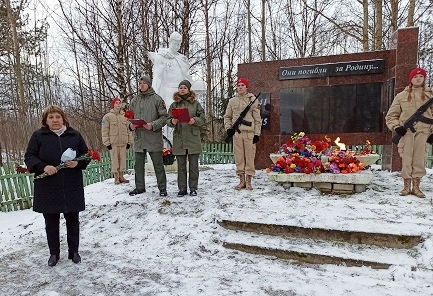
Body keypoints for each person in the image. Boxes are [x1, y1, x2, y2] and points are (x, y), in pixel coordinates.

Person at [24, 105, 90, 266]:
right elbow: (29, 156)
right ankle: (54, 253)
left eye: (57, 117)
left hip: (71, 184)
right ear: (46, 120)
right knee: (51, 222)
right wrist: (43, 166)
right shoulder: (39, 136)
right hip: (48, 186)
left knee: (73, 221)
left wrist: (77, 163)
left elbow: (86, 155)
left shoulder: (74, 135)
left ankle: (74, 252)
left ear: (63, 119)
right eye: (51, 117)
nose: (55, 120)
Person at [385, 67, 433, 198]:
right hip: (406, 133)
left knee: (420, 158)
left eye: (421, 76)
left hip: (424, 132)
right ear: (411, 79)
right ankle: (406, 186)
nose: (418, 78)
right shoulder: (401, 96)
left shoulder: (430, 95)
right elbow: (391, 116)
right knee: (406, 159)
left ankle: (416, 187)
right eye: (415, 77)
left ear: (424, 78)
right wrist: (396, 127)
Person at [147, 32, 192, 145]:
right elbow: (157, 78)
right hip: (167, 92)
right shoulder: (162, 57)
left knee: (183, 120)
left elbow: (187, 79)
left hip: (181, 94)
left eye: (178, 44)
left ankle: (181, 146)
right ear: (169, 41)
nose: (176, 46)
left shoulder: (182, 59)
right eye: (174, 43)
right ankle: (167, 148)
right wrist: (153, 96)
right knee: (167, 119)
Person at [128, 75, 169, 197]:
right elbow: (128, 117)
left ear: (149, 84)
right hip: (139, 138)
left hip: (153, 137)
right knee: (138, 166)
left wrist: (152, 125)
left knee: (158, 165)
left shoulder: (157, 99)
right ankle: (140, 187)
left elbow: (164, 117)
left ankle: (162, 188)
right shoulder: (134, 101)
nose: (141, 85)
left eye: (144, 83)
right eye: (140, 83)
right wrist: (131, 126)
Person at [167, 80, 206, 196]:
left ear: (189, 90)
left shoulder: (195, 104)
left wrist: (194, 120)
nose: (182, 89)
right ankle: (182, 189)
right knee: (181, 166)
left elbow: (202, 117)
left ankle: (193, 188)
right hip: (179, 138)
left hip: (193, 137)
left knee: (193, 166)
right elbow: (168, 119)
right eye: (180, 87)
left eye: (184, 87)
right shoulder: (174, 105)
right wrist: (172, 121)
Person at [224, 78, 262, 190]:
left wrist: (257, 134)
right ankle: (242, 181)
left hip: (249, 133)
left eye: (242, 85)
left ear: (246, 87)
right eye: (238, 85)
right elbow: (227, 117)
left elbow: (257, 119)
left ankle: (249, 181)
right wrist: (228, 129)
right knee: (239, 157)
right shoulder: (232, 101)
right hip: (237, 133)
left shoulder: (253, 100)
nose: (240, 87)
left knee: (250, 157)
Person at [101, 97, 133, 184]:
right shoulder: (107, 117)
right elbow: (104, 130)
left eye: (119, 103)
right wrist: (106, 142)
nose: (118, 104)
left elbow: (129, 130)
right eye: (116, 103)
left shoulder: (125, 116)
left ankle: (122, 176)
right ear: (113, 105)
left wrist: (130, 141)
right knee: (115, 160)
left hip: (123, 142)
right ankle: (116, 177)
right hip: (113, 142)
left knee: (123, 159)